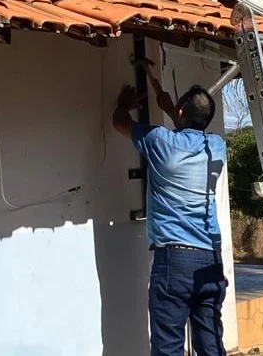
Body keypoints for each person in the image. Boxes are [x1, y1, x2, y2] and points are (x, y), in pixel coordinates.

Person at [112, 61, 228, 356]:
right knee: (211, 343)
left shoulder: (158, 141)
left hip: (174, 262)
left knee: (168, 347)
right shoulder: (216, 147)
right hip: (210, 259)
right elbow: (188, 126)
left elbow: (119, 122)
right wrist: (169, 104)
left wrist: (124, 104)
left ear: (179, 113)